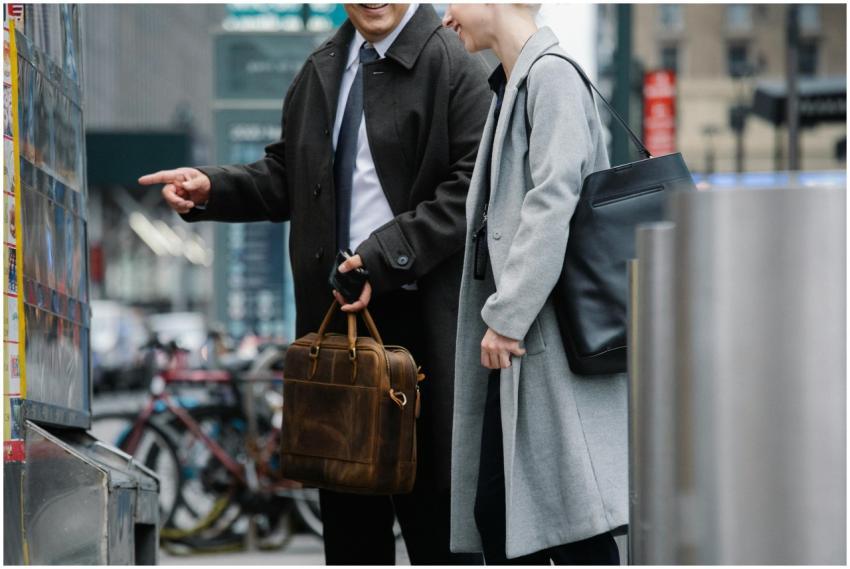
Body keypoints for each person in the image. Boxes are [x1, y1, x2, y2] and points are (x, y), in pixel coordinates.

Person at [139, 4, 489, 565]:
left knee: (437, 531)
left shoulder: (452, 63)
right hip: (334, 331)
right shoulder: (324, 64)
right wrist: (212, 187)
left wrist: (381, 258)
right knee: (349, 534)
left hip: (423, 334)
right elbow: (289, 176)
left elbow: (474, 187)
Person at [442, 4, 628, 565]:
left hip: (539, 338)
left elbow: (553, 200)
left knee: (564, 526)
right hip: (528, 343)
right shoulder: (515, 83)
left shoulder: (551, 75)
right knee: (514, 516)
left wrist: (506, 317)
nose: (446, 16)